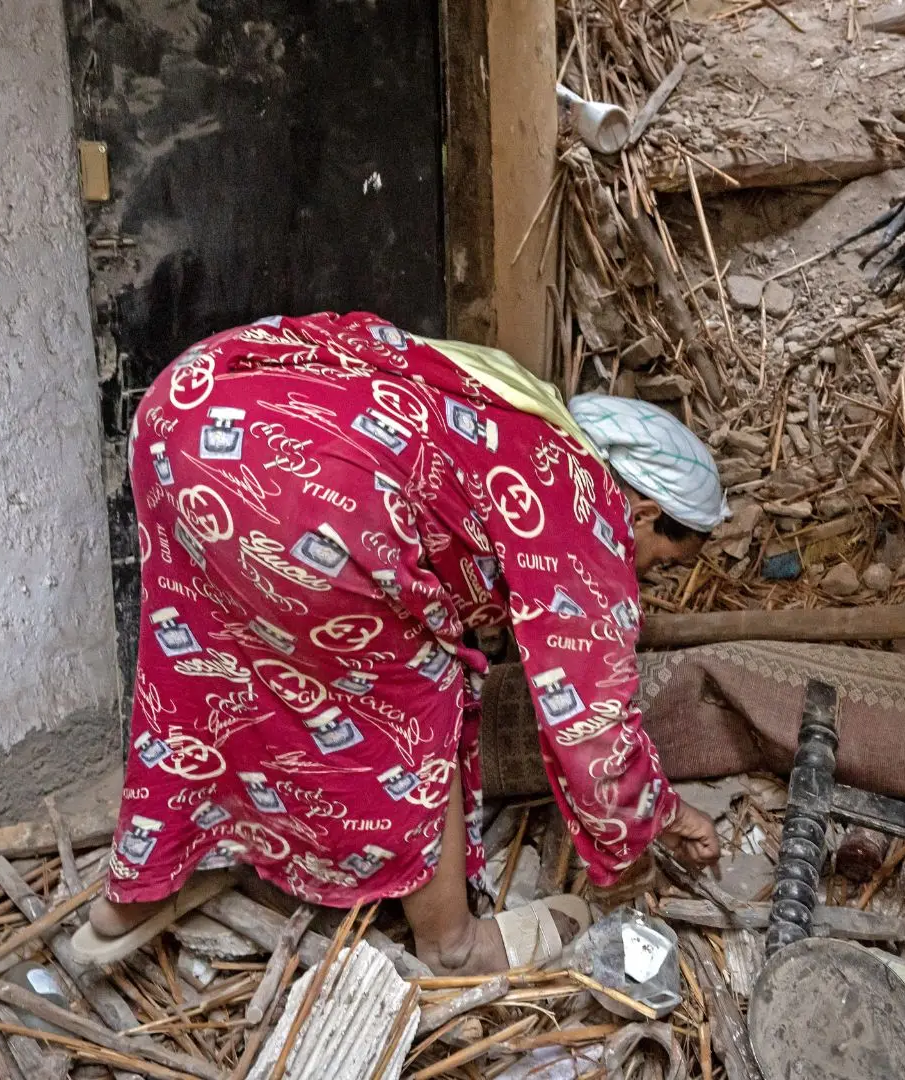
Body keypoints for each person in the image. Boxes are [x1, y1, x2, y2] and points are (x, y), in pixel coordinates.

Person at [75, 311, 726, 976]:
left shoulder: (519, 414)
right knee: (415, 701)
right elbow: (591, 730)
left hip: (186, 410)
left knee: (204, 661)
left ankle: (128, 898)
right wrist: (663, 817)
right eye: (663, 559)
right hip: (311, 492)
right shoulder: (583, 508)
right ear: (645, 512)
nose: (648, 574)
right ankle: (452, 942)